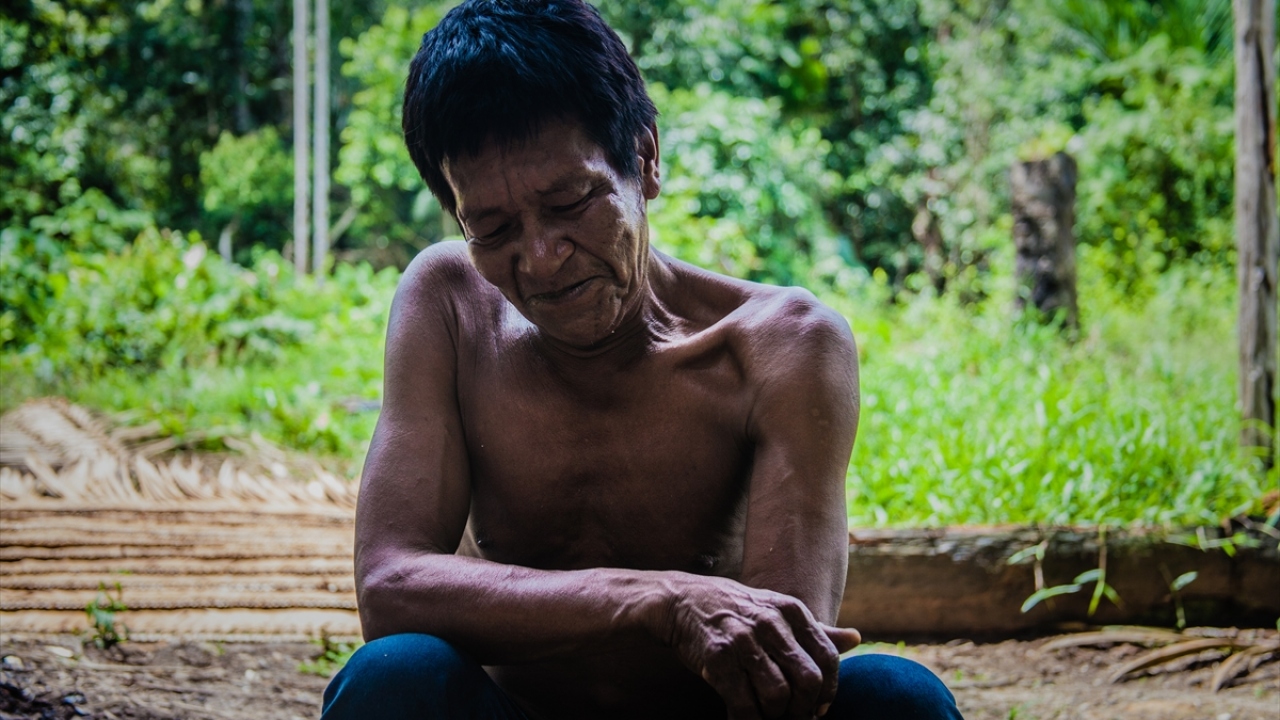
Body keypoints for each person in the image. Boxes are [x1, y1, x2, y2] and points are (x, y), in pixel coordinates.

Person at [321, 1, 963, 718]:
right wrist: (657, 599)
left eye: (572, 202)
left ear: (645, 160)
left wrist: (673, 607)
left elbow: (778, 661)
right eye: (494, 230)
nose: (542, 257)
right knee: (393, 677)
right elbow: (389, 587)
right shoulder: (450, 303)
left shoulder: (781, 346)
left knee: (900, 700)